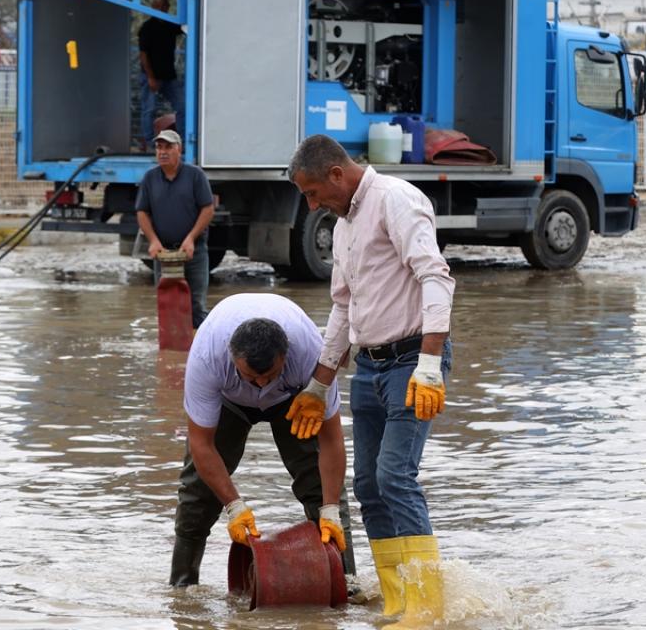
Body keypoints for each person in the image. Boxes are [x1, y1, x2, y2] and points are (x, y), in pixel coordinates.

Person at [287, 134, 454, 627]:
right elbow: (343, 306)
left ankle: (429, 609)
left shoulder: (395, 200)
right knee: (367, 486)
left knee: (394, 476)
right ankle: (397, 603)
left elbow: (435, 277)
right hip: (370, 365)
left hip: (412, 361)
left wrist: (430, 364)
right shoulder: (343, 226)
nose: (313, 205)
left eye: (313, 193)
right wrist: (319, 385)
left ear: (337, 174)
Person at [170, 292, 357, 587]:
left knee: (319, 488)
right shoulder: (207, 358)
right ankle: (182, 586)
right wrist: (234, 506)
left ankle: (345, 583)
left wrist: (331, 507)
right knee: (198, 494)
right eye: (250, 376)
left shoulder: (310, 354)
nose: (260, 384)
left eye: (269, 375)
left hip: (295, 397)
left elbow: (332, 440)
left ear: (286, 356)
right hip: (230, 401)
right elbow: (201, 444)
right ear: (232, 358)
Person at [136, 129, 213, 328]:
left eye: (168, 147)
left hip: (193, 251)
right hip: (163, 254)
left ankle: (196, 346)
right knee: (167, 305)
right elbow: (142, 212)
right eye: (159, 147)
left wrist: (191, 238)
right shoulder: (150, 178)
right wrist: (153, 241)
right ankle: (171, 348)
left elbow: (208, 208)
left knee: (196, 306)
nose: (163, 152)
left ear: (179, 149)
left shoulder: (195, 175)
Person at [137, 0, 185, 149]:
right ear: (152, 8)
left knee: (183, 106)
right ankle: (150, 144)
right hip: (150, 75)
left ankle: (183, 141)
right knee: (149, 109)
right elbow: (143, 55)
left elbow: (186, 27)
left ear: (167, 7)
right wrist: (151, 77)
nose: (160, 9)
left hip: (168, 76)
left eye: (163, 6)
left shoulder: (171, 26)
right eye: (156, 6)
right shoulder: (147, 28)